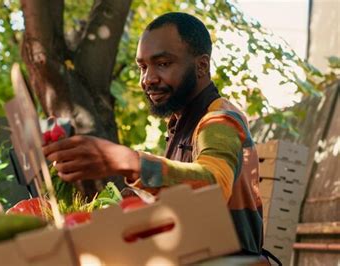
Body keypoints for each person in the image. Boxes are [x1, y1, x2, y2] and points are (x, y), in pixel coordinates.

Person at [43, 12, 263, 256]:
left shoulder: (219, 120)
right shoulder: (180, 123)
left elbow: (213, 185)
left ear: (201, 66)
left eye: (163, 64)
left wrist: (129, 161)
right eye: (142, 67)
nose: (148, 79)